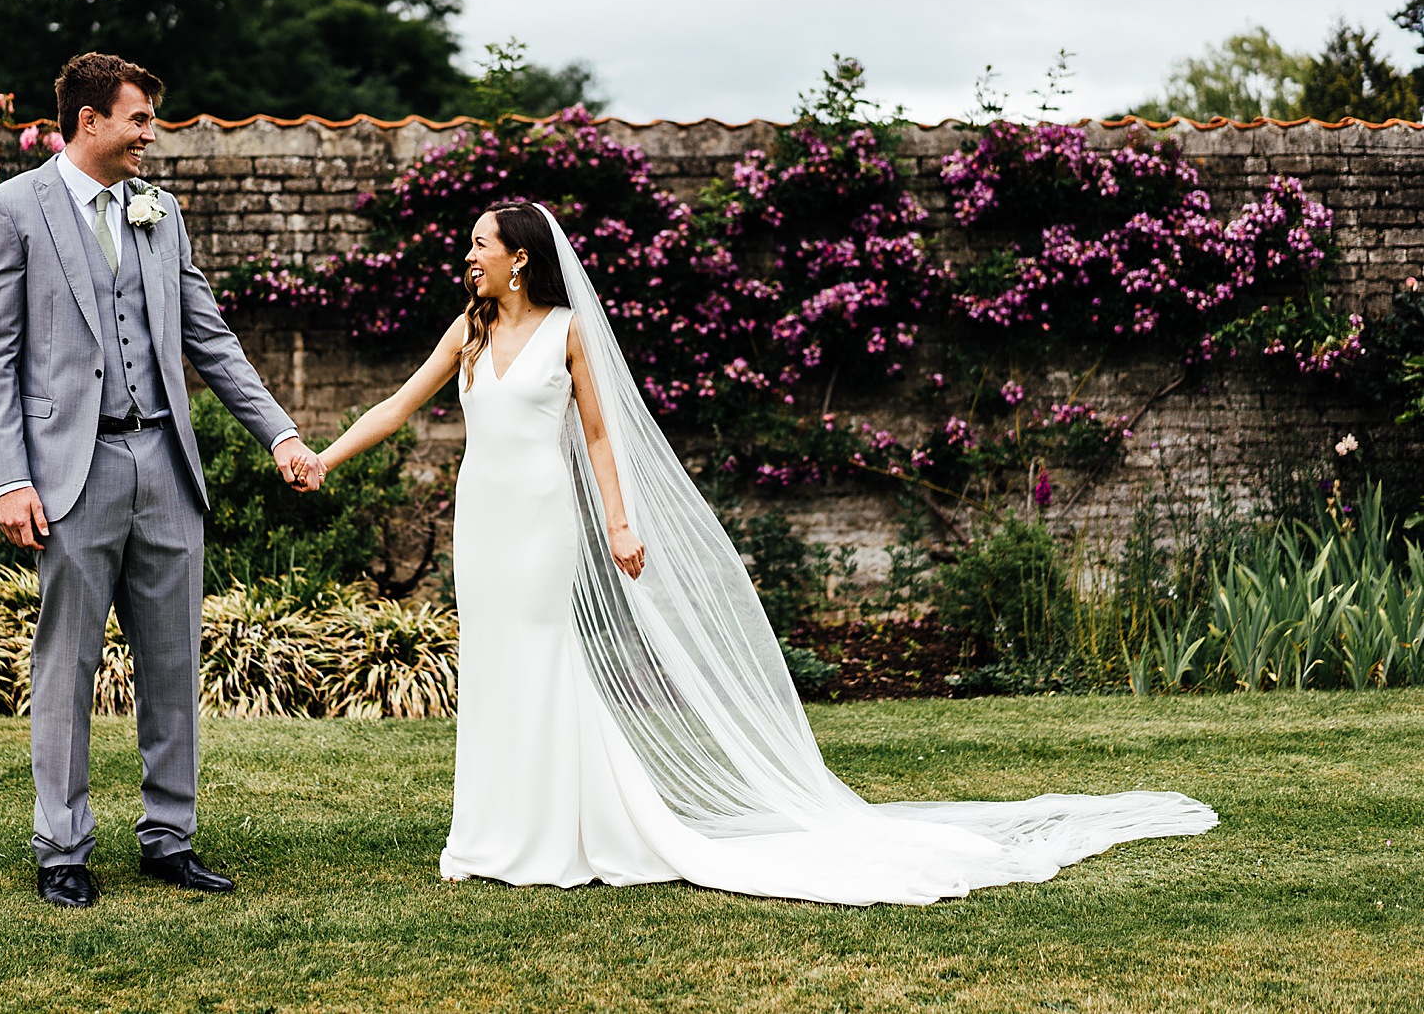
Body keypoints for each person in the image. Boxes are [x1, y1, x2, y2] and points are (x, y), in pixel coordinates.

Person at [316, 200, 1217, 905]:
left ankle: (561, 834)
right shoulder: (469, 332)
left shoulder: (567, 331)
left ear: (520, 257)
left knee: (549, 664)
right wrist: (323, 456)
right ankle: (487, 833)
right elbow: (395, 409)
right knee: (496, 668)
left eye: (480, 243)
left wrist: (621, 524)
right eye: (468, 242)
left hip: (545, 524)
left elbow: (598, 440)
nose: (467, 254)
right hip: (483, 524)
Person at [0, 52, 324, 908]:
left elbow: (211, 338)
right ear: (89, 121)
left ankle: (170, 837)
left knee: (172, 663)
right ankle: (62, 847)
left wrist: (277, 430)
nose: (149, 134)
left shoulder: (160, 215)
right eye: (138, 119)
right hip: (70, 475)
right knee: (68, 662)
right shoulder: (11, 209)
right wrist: (8, 477)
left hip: (165, 463)